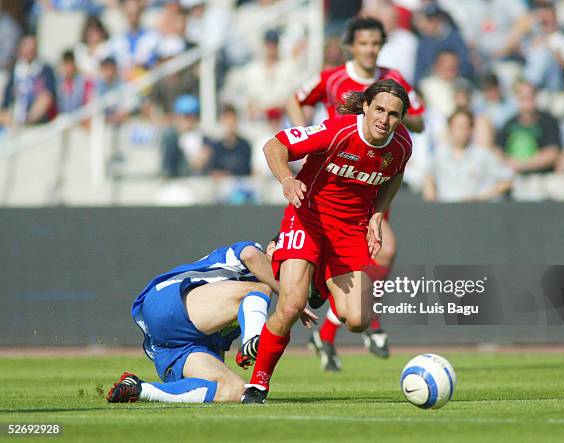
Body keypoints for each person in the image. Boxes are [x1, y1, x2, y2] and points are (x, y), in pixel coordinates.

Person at [241, 79, 413, 404]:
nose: (384, 119)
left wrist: (377, 214)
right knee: (291, 305)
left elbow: (396, 174)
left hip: (350, 231)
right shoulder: (337, 131)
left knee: (359, 322)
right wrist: (287, 179)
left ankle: (318, 281)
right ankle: (258, 384)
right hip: (308, 218)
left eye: (393, 114)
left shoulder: (401, 146)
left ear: (401, 118)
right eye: (379, 109)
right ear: (365, 106)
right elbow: (273, 146)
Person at [286, 16, 424, 370]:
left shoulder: (393, 80)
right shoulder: (332, 77)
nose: (370, 49)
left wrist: (392, 116)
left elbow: (420, 121)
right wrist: (306, 134)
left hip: (374, 175)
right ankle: (361, 323)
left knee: (382, 251)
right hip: (337, 176)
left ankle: (339, 325)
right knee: (383, 249)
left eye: (376, 43)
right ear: (351, 46)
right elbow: (296, 98)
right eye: (363, 43)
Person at [107, 239, 317, 404]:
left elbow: (216, 345)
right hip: (169, 300)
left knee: (234, 389)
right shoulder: (256, 256)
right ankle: (253, 339)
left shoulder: (252, 307)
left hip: (172, 348)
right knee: (260, 289)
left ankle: (140, 389)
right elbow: (250, 255)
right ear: (272, 247)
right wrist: (287, 295)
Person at [423, 109, 513, 202]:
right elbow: (428, 176)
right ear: (450, 128)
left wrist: (481, 198)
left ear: (471, 130)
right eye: (458, 127)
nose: (462, 132)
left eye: (466, 127)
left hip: (475, 211)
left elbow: (507, 181)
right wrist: (431, 196)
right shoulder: (439, 155)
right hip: (445, 211)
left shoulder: (483, 155)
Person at [496, 80, 560, 174]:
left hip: (540, 177)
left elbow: (552, 153)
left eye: (529, 96)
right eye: (523, 96)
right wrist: (508, 163)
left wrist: (523, 165)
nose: (526, 100)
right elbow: (499, 151)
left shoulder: (548, 122)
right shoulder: (509, 124)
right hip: (512, 175)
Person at [0, 35, 56, 127]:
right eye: (27, 45)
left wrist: (28, 120)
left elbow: (46, 97)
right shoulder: (15, 70)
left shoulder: (45, 70)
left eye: (33, 46)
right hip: (13, 124)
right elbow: (6, 101)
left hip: (35, 124)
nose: (30, 49)